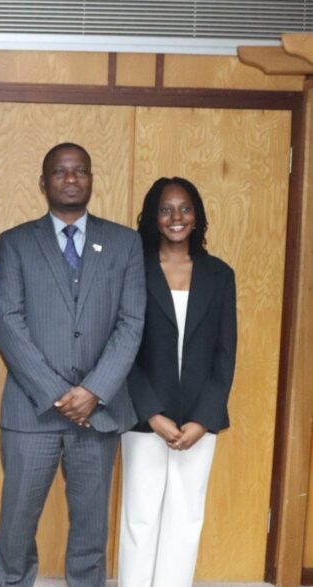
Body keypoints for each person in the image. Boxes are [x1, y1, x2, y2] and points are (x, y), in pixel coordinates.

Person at [0, 143, 145, 586]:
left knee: (91, 531)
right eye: (61, 172)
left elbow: (131, 323)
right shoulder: (16, 242)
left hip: (99, 413)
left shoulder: (124, 243)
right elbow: (7, 321)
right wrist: (59, 393)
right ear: (44, 183)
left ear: (92, 180)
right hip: (32, 411)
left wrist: (93, 391)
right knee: (16, 527)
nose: (71, 178)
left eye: (80, 171)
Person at [117, 177, 237, 587]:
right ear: (153, 216)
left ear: (197, 216)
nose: (176, 218)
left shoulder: (220, 274)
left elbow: (225, 355)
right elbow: (123, 350)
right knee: (141, 515)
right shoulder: (134, 269)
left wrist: (204, 419)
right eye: (166, 209)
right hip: (144, 415)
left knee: (186, 516)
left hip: (198, 419)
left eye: (185, 208)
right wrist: (151, 413)